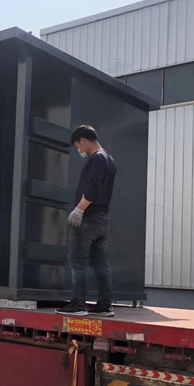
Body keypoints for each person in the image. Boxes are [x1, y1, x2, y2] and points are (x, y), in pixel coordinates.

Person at [56, 124, 117, 317]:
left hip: (89, 217)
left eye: (78, 146)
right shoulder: (110, 159)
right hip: (102, 219)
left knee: (77, 260)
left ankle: (78, 304)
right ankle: (105, 305)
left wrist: (79, 210)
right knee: (100, 263)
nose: (79, 150)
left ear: (83, 140)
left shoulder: (97, 158)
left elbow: (94, 186)